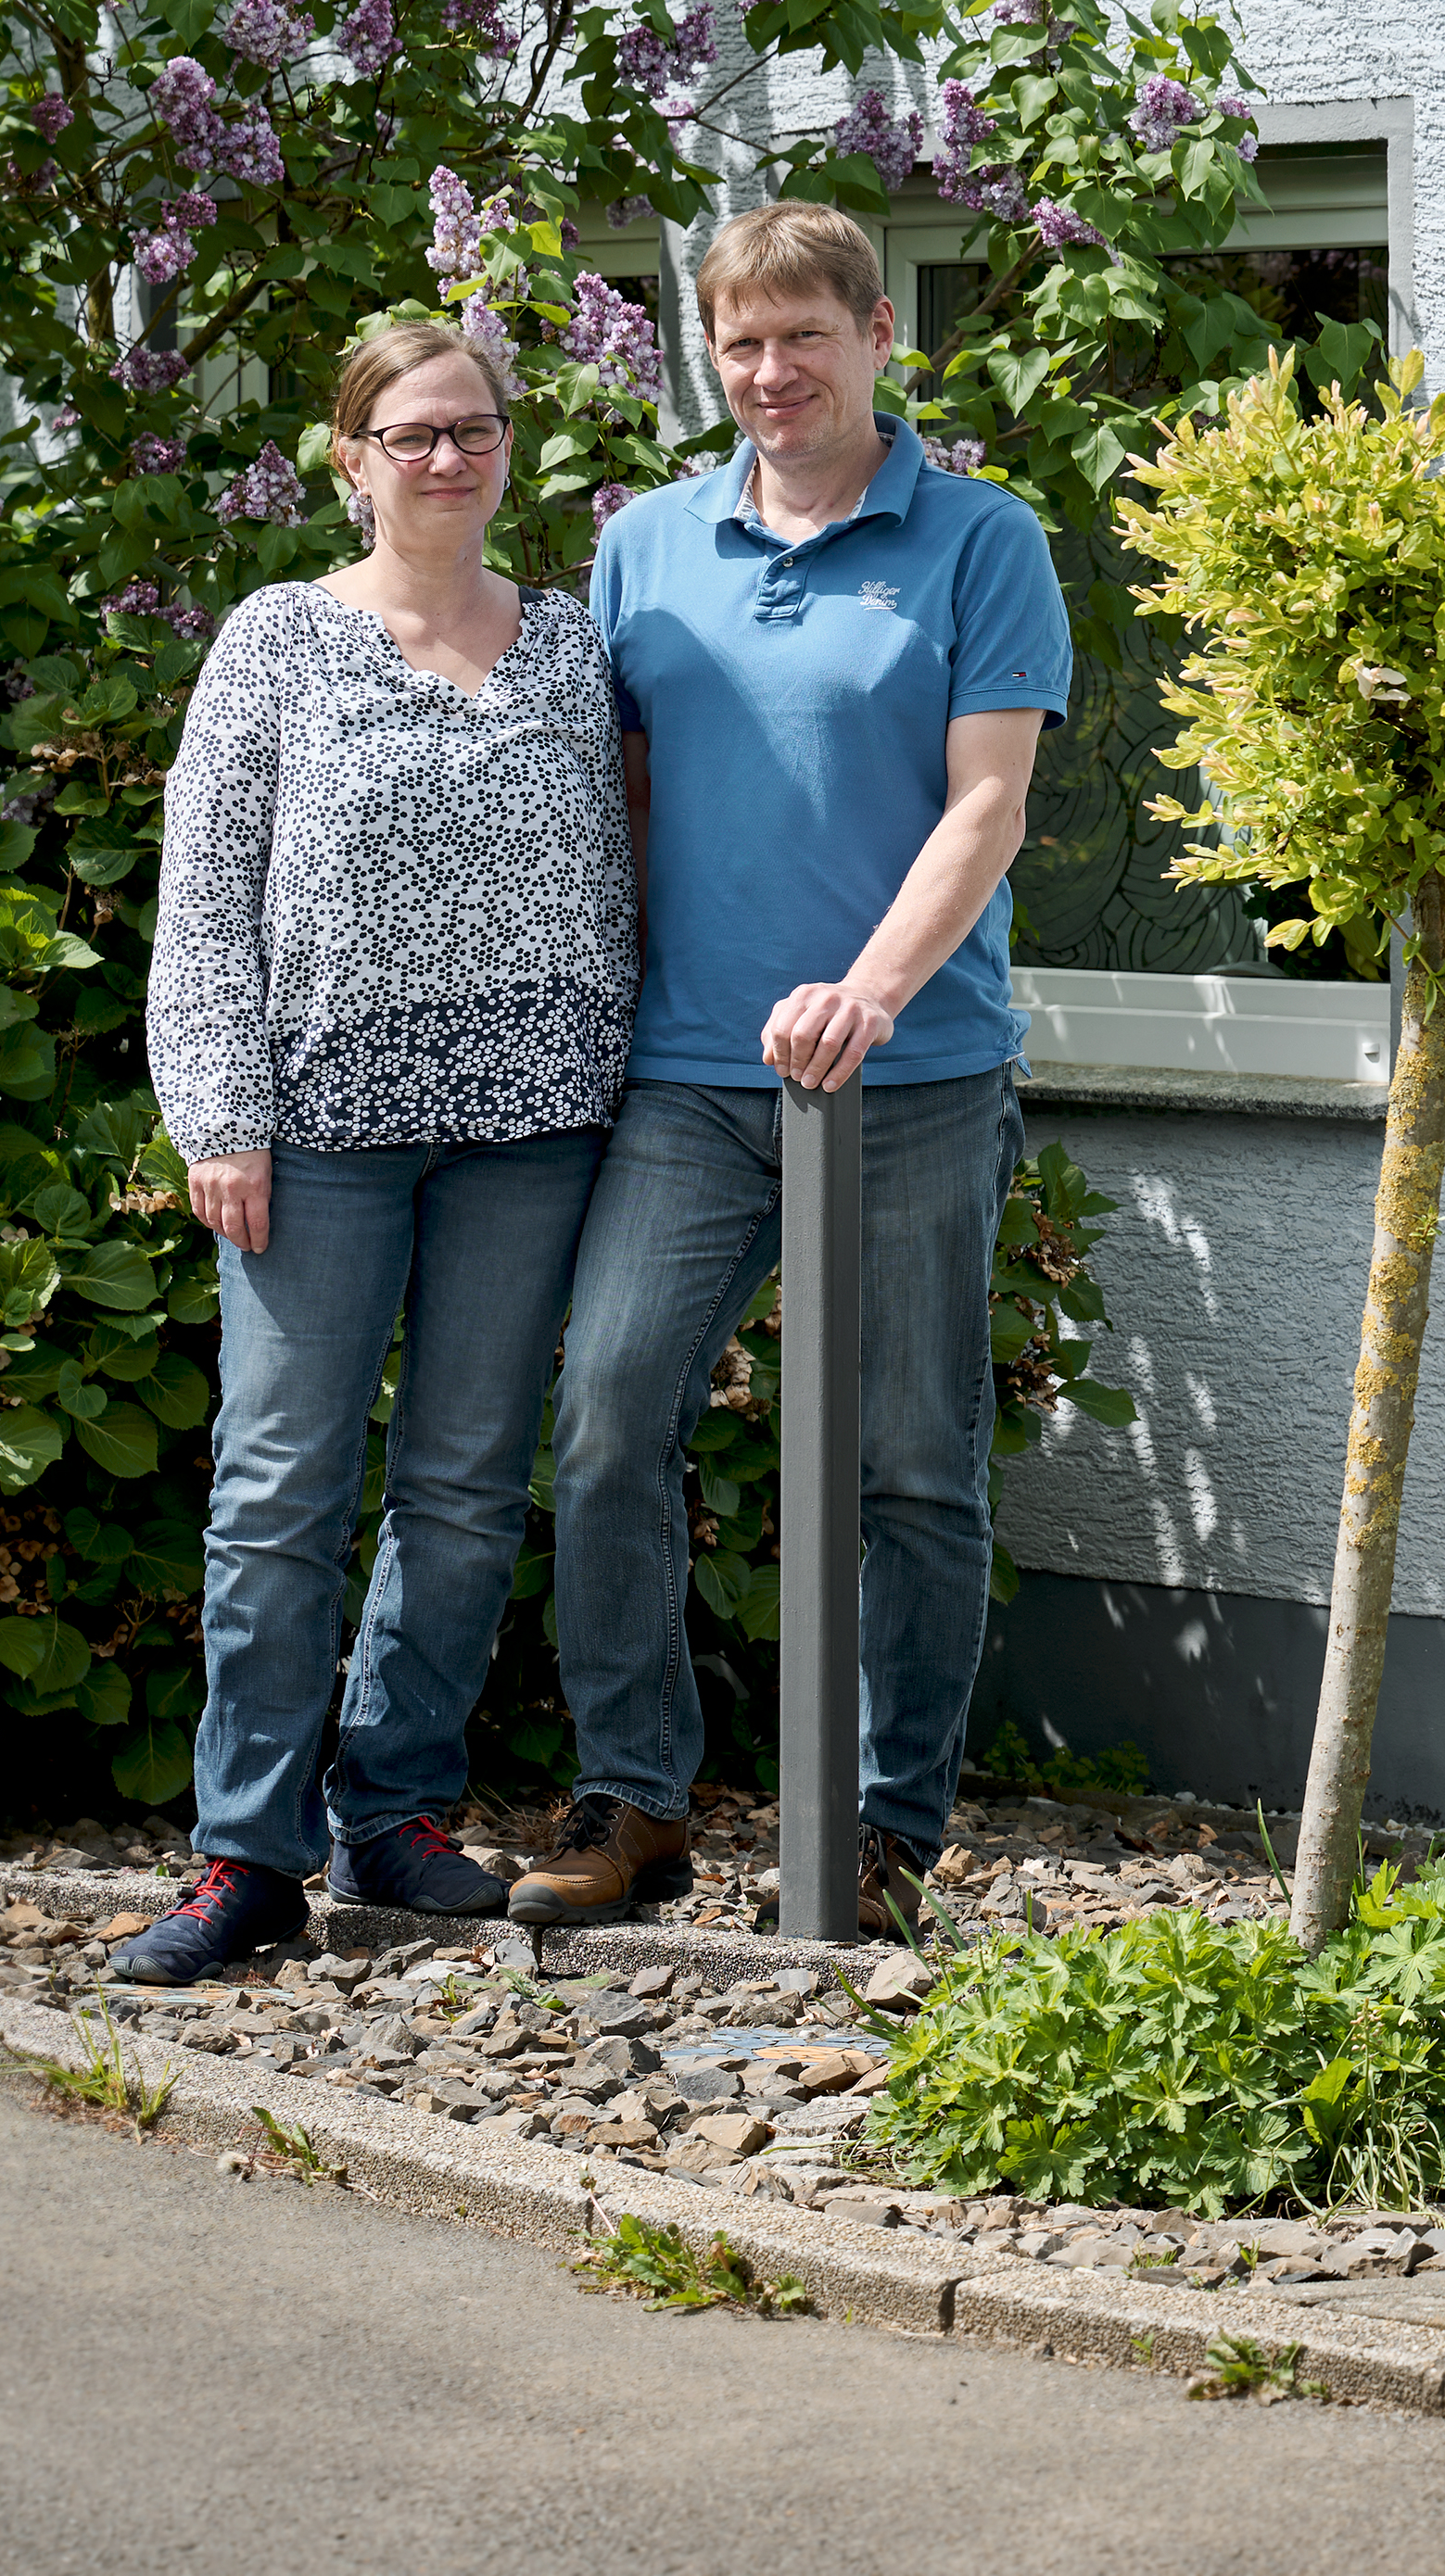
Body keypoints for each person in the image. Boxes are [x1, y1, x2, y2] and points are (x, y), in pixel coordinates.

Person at [513, 203, 1065, 1937]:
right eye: (737, 343)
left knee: (911, 1460)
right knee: (607, 1415)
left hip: (907, 1079)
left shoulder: (980, 542)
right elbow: (621, 798)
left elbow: (988, 802)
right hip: (685, 1075)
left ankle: (887, 1829)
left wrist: (872, 990)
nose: (768, 373)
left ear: (878, 334)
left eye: (801, 336)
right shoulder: (646, 547)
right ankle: (637, 1799)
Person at [116, 320, 636, 1982]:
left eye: (473, 429)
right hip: (316, 1132)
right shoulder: (276, 644)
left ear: (507, 448)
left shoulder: (570, 645)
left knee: (468, 1493)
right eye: (410, 434)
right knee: (278, 1493)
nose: (447, 458)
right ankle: (243, 1854)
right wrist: (219, 1114)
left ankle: (393, 1812)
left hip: (530, 1126)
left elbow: (624, 872)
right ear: (349, 460)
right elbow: (202, 903)